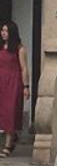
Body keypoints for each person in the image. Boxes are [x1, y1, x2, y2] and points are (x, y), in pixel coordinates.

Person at [0, 21, 30, 158]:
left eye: (6, 31)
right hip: (1, 83)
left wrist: (26, 86)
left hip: (13, 84)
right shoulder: (1, 47)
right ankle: (12, 138)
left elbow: (24, 69)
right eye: (2, 30)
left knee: (10, 113)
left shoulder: (19, 49)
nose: (3, 33)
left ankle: (8, 145)